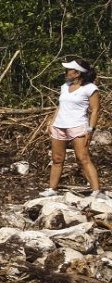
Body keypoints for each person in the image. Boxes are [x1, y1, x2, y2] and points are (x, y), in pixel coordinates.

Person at [42, 59, 103, 198]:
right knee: (57, 158)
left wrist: (90, 129)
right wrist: (51, 122)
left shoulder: (90, 88)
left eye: (68, 70)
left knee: (83, 158)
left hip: (78, 126)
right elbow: (60, 106)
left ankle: (96, 191)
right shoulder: (65, 86)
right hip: (59, 126)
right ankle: (52, 189)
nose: (66, 72)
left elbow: (94, 110)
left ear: (77, 73)